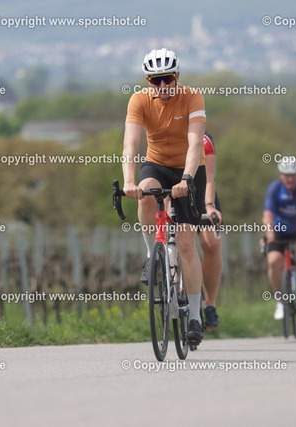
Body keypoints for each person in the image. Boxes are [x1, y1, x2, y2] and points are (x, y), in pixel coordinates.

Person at [121, 48, 207, 345]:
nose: (162, 85)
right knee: (145, 196)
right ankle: (151, 254)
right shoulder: (139, 100)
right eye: (155, 80)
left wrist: (187, 178)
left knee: (185, 244)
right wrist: (129, 181)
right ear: (148, 81)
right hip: (156, 163)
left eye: (167, 79)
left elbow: (195, 144)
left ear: (177, 76)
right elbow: (130, 146)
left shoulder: (193, 97)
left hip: (189, 168)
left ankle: (194, 316)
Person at [263, 158, 296, 321]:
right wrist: (269, 234)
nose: (290, 179)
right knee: (273, 260)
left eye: (294, 175)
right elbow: (268, 214)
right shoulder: (274, 188)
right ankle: (279, 300)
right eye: (287, 175)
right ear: (281, 175)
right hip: (279, 230)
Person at [199, 131, 223, 329]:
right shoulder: (163, 131)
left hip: (201, 193)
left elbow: (209, 179)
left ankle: (210, 305)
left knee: (212, 244)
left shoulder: (204, 140)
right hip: (173, 191)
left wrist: (209, 206)